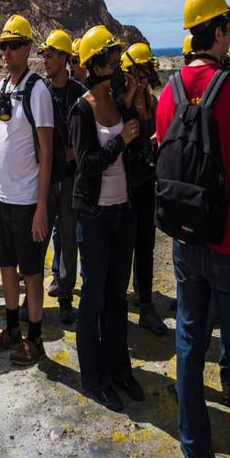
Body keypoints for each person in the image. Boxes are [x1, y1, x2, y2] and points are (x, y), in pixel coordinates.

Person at [154, 0, 230, 458]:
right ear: (215, 31)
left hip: (184, 240)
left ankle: (195, 452)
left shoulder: (166, 95)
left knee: (189, 345)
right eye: (229, 26)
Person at [69, 26, 147, 410]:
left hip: (122, 214)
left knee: (117, 298)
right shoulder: (81, 109)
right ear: (95, 65)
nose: (118, 68)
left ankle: (120, 370)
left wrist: (131, 105)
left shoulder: (118, 101)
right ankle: (94, 378)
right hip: (95, 218)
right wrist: (121, 141)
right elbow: (86, 165)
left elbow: (137, 135)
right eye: (113, 62)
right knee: (93, 301)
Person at [0, 15, 54, 366]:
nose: (6, 52)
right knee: (7, 266)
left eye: (13, 45)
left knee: (33, 273)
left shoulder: (37, 90)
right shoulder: (1, 88)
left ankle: (35, 339)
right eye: (3, 46)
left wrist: (42, 206)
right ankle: (12, 329)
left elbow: (47, 149)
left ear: (27, 48)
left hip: (27, 201)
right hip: (4, 198)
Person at [120, 42, 166, 336]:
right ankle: (122, 303)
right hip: (124, 188)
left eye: (149, 71)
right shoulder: (120, 106)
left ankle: (146, 303)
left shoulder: (153, 103)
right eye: (143, 70)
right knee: (124, 248)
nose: (147, 76)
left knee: (145, 247)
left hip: (146, 186)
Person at [39, 29, 85, 326]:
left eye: (51, 55)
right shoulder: (38, 91)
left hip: (69, 179)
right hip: (44, 177)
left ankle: (66, 296)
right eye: (44, 55)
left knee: (68, 238)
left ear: (65, 59)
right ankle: (31, 299)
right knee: (38, 235)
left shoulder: (79, 94)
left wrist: (75, 153)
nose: (46, 60)